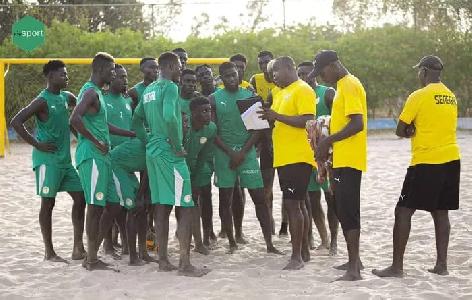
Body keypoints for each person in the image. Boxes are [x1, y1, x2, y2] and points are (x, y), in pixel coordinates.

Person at [372, 55, 461, 278]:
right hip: (451, 159)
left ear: (423, 72)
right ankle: (442, 265)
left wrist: (410, 130)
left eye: (418, 71)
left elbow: (400, 130)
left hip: (426, 161)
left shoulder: (418, 96)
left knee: (403, 211)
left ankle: (396, 267)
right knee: (441, 212)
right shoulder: (451, 97)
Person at [132, 52, 209, 277]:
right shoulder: (170, 87)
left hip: (153, 151)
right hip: (169, 151)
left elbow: (136, 120)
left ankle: (163, 260)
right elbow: (170, 117)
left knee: (161, 206)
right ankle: (185, 264)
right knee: (185, 205)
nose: (181, 68)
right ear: (170, 66)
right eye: (179, 65)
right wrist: (176, 145)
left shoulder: (148, 90)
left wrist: (148, 140)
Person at [11, 60, 86, 263]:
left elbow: (79, 111)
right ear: (51, 77)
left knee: (81, 198)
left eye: (66, 74)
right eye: (62, 74)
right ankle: (49, 252)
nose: (66, 77)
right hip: (47, 160)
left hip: (65, 161)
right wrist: (37, 144)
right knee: (48, 203)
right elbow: (16, 121)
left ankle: (78, 248)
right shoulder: (41, 101)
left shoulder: (66, 97)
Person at [70, 52, 135, 271]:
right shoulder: (90, 92)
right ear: (100, 70)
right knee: (95, 207)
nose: (114, 72)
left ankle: (92, 253)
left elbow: (104, 125)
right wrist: (96, 141)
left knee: (114, 205)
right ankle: (91, 260)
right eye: (111, 69)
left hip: (103, 157)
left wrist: (131, 134)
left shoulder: (97, 92)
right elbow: (74, 119)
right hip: (93, 157)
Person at [209, 62, 281, 255]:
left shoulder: (249, 97)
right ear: (221, 78)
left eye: (234, 75)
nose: (232, 79)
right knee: (226, 198)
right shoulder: (214, 99)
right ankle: (231, 241)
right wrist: (231, 152)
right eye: (227, 76)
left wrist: (242, 152)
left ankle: (269, 244)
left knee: (259, 197)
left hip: (247, 153)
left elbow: (258, 129)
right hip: (224, 154)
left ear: (239, 74)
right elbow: (213, 132)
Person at [313, 50, 367, 281]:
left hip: (351, 160)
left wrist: (327, 140)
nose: (322, 77)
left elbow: (357, 123)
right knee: (342, 209)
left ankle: (354, 268)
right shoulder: (342, 85)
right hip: (341, 158)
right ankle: (354, 260)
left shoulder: (349, 84)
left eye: (322, 71)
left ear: (333, 65)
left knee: (349, 211)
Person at [259, 56, 315, 270]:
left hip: (298, 156)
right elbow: (279, 118)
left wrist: (278, 116)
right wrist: (267, 117)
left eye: (276, 73)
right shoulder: (280, 92)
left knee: (293, 204)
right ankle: (304, 252)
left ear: (289, 68)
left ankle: (296, 257)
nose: (273, 77)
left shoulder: (302, 89)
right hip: (283, 156)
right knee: (297, 203)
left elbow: (307, 120)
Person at [297, 61, 339, 254]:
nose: (304, 77)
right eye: (300, 74)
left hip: (328, 156)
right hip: (307, 156)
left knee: (331, 199)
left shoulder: (327, 93)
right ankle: (322, 238)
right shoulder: (298, 94)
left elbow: (340, 121)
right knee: (312, 200)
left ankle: (334, 242)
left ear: (314, 74)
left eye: (307, 73)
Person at [127, 57, 158, 252]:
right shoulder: (134, 92)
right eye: (150, 67)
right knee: (140, 193)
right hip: (141, 144)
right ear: (142, 69)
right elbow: (132, 119)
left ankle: (150, 232)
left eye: (156, 67)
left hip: (156, 143)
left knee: (152, 194)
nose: (154, 70)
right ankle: (137, 235)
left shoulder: (161, 88)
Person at [184, 96, 218, 255]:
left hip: (194, 166)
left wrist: (195, 180)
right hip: (175, 165)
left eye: (209, 110)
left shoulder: (211, 128)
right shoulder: (183, 125)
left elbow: (204, 155)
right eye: (204, 111)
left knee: (194, 202)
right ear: (192, 113)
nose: (208, 114)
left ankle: (198, 243)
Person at [249, 50, 277, 235]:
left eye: (266, 62)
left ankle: (283, 225)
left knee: (284, 185)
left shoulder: (280, 80)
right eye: (260, 63)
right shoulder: (255, 80)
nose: (263, 65)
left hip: (278, 136)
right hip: (261, 136)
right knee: (266, 186)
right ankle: (270, 223)